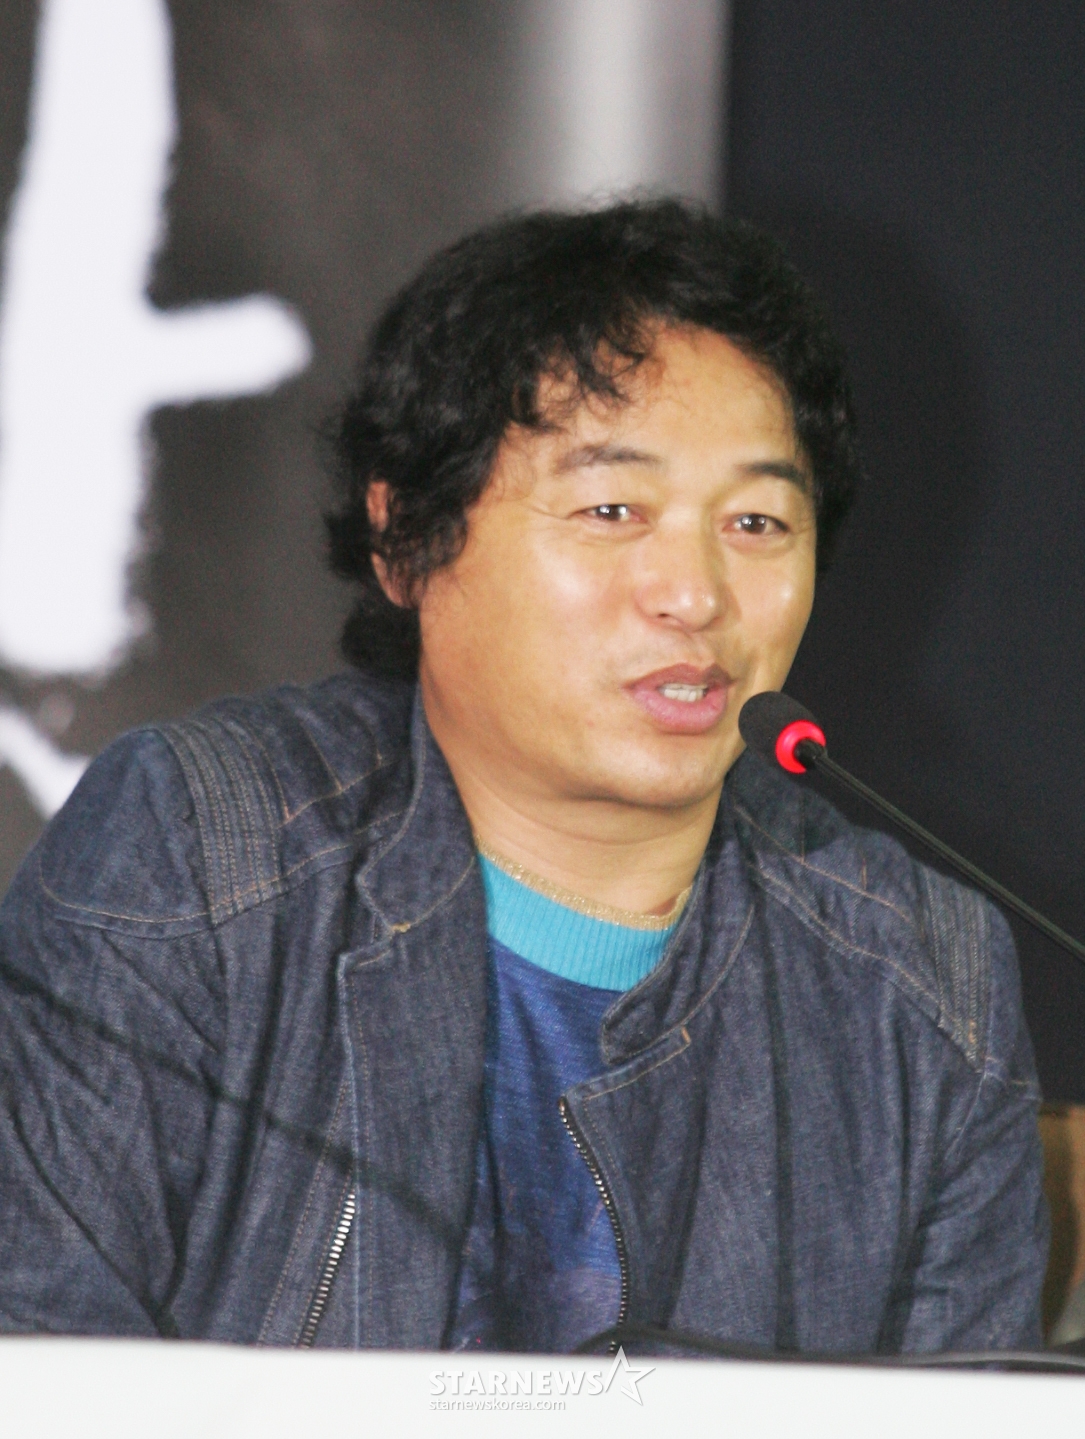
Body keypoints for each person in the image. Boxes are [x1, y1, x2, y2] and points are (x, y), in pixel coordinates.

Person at [0, 200, 1046, 1353]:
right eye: (611, 508)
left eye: (755, 521)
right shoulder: (201, 856)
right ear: (406, 538)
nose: (693, 592)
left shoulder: (921, 988)